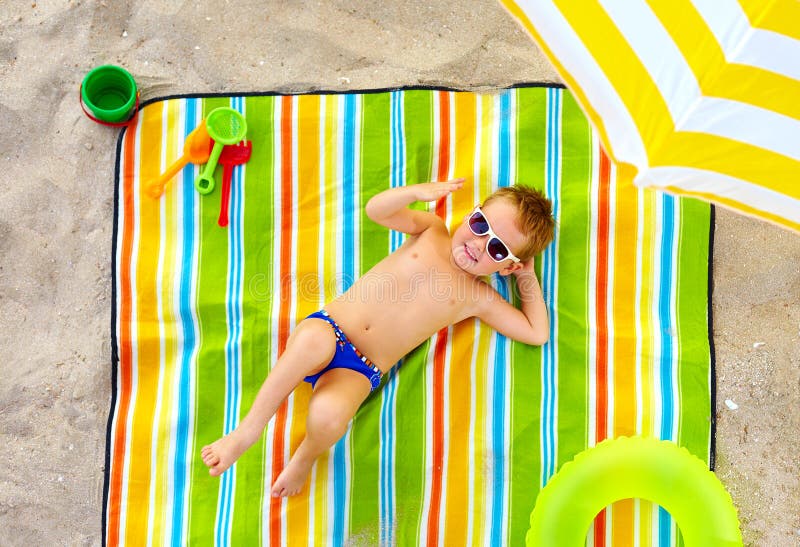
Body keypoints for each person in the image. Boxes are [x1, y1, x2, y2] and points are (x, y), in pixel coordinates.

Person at [201, 178, 555, 497]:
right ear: (470, 215)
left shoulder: (478, 298)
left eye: (496, 250)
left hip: (359, 369)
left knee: (329, 416)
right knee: (310, 340)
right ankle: (247, 431)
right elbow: (377, 210)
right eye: (480, 225)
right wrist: (415, 194)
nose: (478, 244)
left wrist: (527, 276)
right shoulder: (432, 231)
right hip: (331, 329)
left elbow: (537, 333)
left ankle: (305, 457)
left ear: (506, 266)